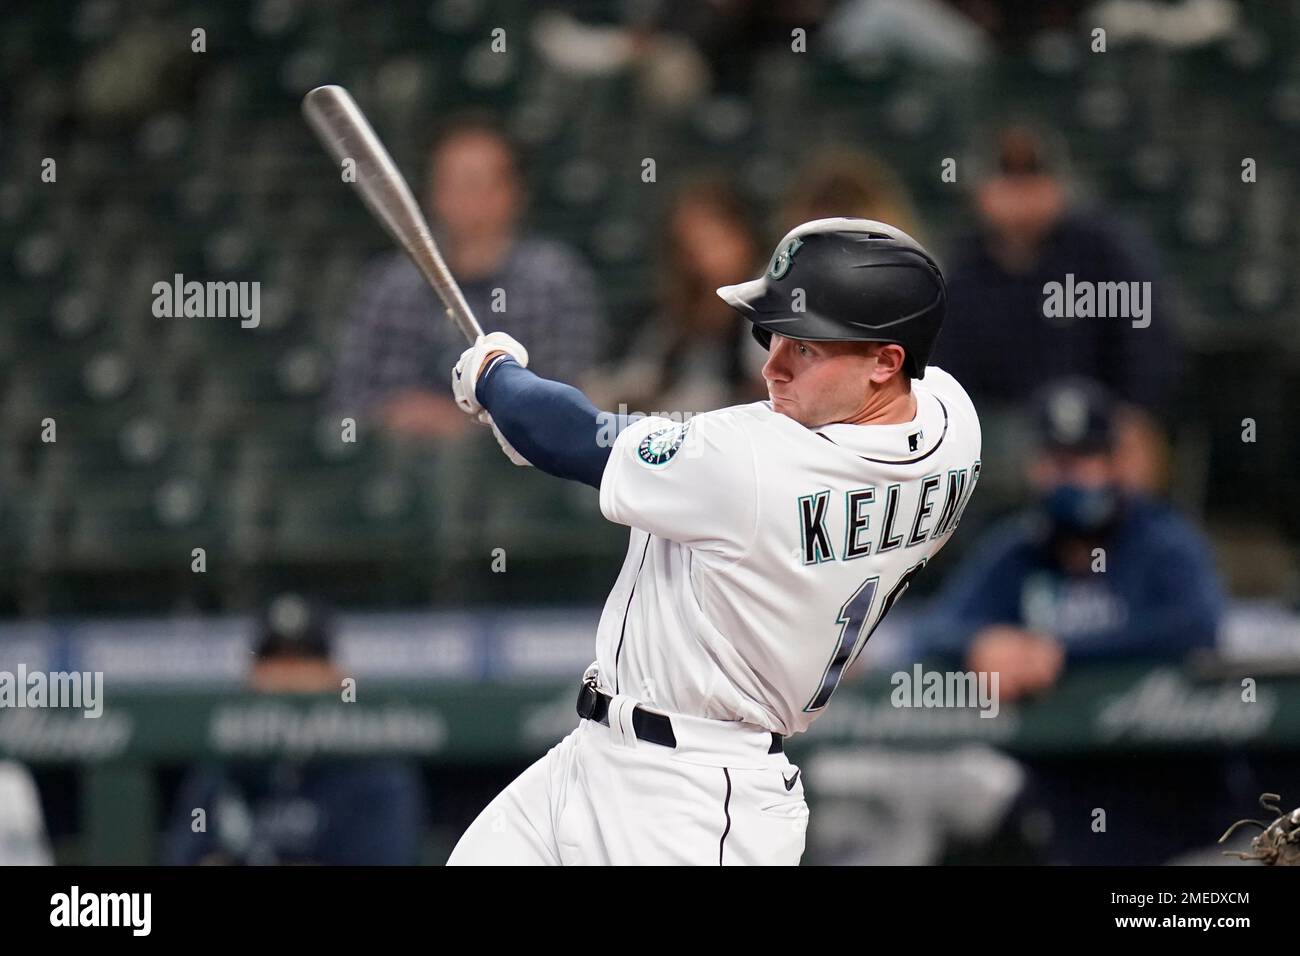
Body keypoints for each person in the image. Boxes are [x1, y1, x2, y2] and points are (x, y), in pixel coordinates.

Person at [444, 218, 983, 865]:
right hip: (596, 759)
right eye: (772, 336)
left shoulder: (757, 463)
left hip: (694, 802)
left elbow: (566, 435)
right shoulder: (955, 426)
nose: (772, 369)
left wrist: (494, 376)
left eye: (805, 348)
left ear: (885, 362)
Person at [915, 377, 1224, 699]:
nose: (1069, 477)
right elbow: (931, 632)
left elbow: (1196, 628)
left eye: (1083, 459)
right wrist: (981, 644)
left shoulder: (1162, 541)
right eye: (1056, 461)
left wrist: (1059, 652)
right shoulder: (1019, 548)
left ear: (1113, 465)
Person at [931, 125, 1176, 494]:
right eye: (1008, 180)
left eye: (1033, 179)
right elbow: (947, 379)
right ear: (981, 191)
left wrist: (1133, 418)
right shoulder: (962, 267)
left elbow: (1146, 350)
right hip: (1002, 435)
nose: (1021, 196)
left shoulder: (1103, 250)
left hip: (1096, 426)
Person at [329, 114, 604, 439]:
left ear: (513, 192)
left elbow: (565, 397)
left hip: (514, 471)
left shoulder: (554, 280)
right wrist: (398, 414)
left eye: (476, 183)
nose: (463, 199)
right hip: (399, 462)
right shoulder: (391, 284)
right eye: (450, 183)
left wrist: (466, 425)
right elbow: (348, 396)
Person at [162, 595, 425, 865]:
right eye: (275, 660)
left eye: (304, 660)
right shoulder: (220, 769)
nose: (288, 677)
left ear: (336, 675)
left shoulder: (375, 770)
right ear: (251, 675)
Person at [584, 177, 766, 416]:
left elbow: (766, 385)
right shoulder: (678, 312)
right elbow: (645, 374)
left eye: (714, 239)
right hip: (676, 429)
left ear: (743, 235)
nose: (705, 258)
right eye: (691, 246)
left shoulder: (768, 299)